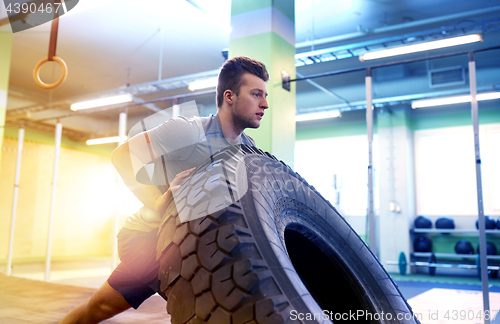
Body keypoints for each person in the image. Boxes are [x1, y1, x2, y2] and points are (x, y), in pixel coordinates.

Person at [60, 56, 270, 324]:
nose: (265, 104)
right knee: (100, 309)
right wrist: (157, 203)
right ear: (229, 96)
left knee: (100, 307)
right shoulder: (187, 131)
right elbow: (123, 156)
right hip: (152, 240)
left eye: (264, 96)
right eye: (256, 94)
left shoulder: (248, 148)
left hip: (197, 246)